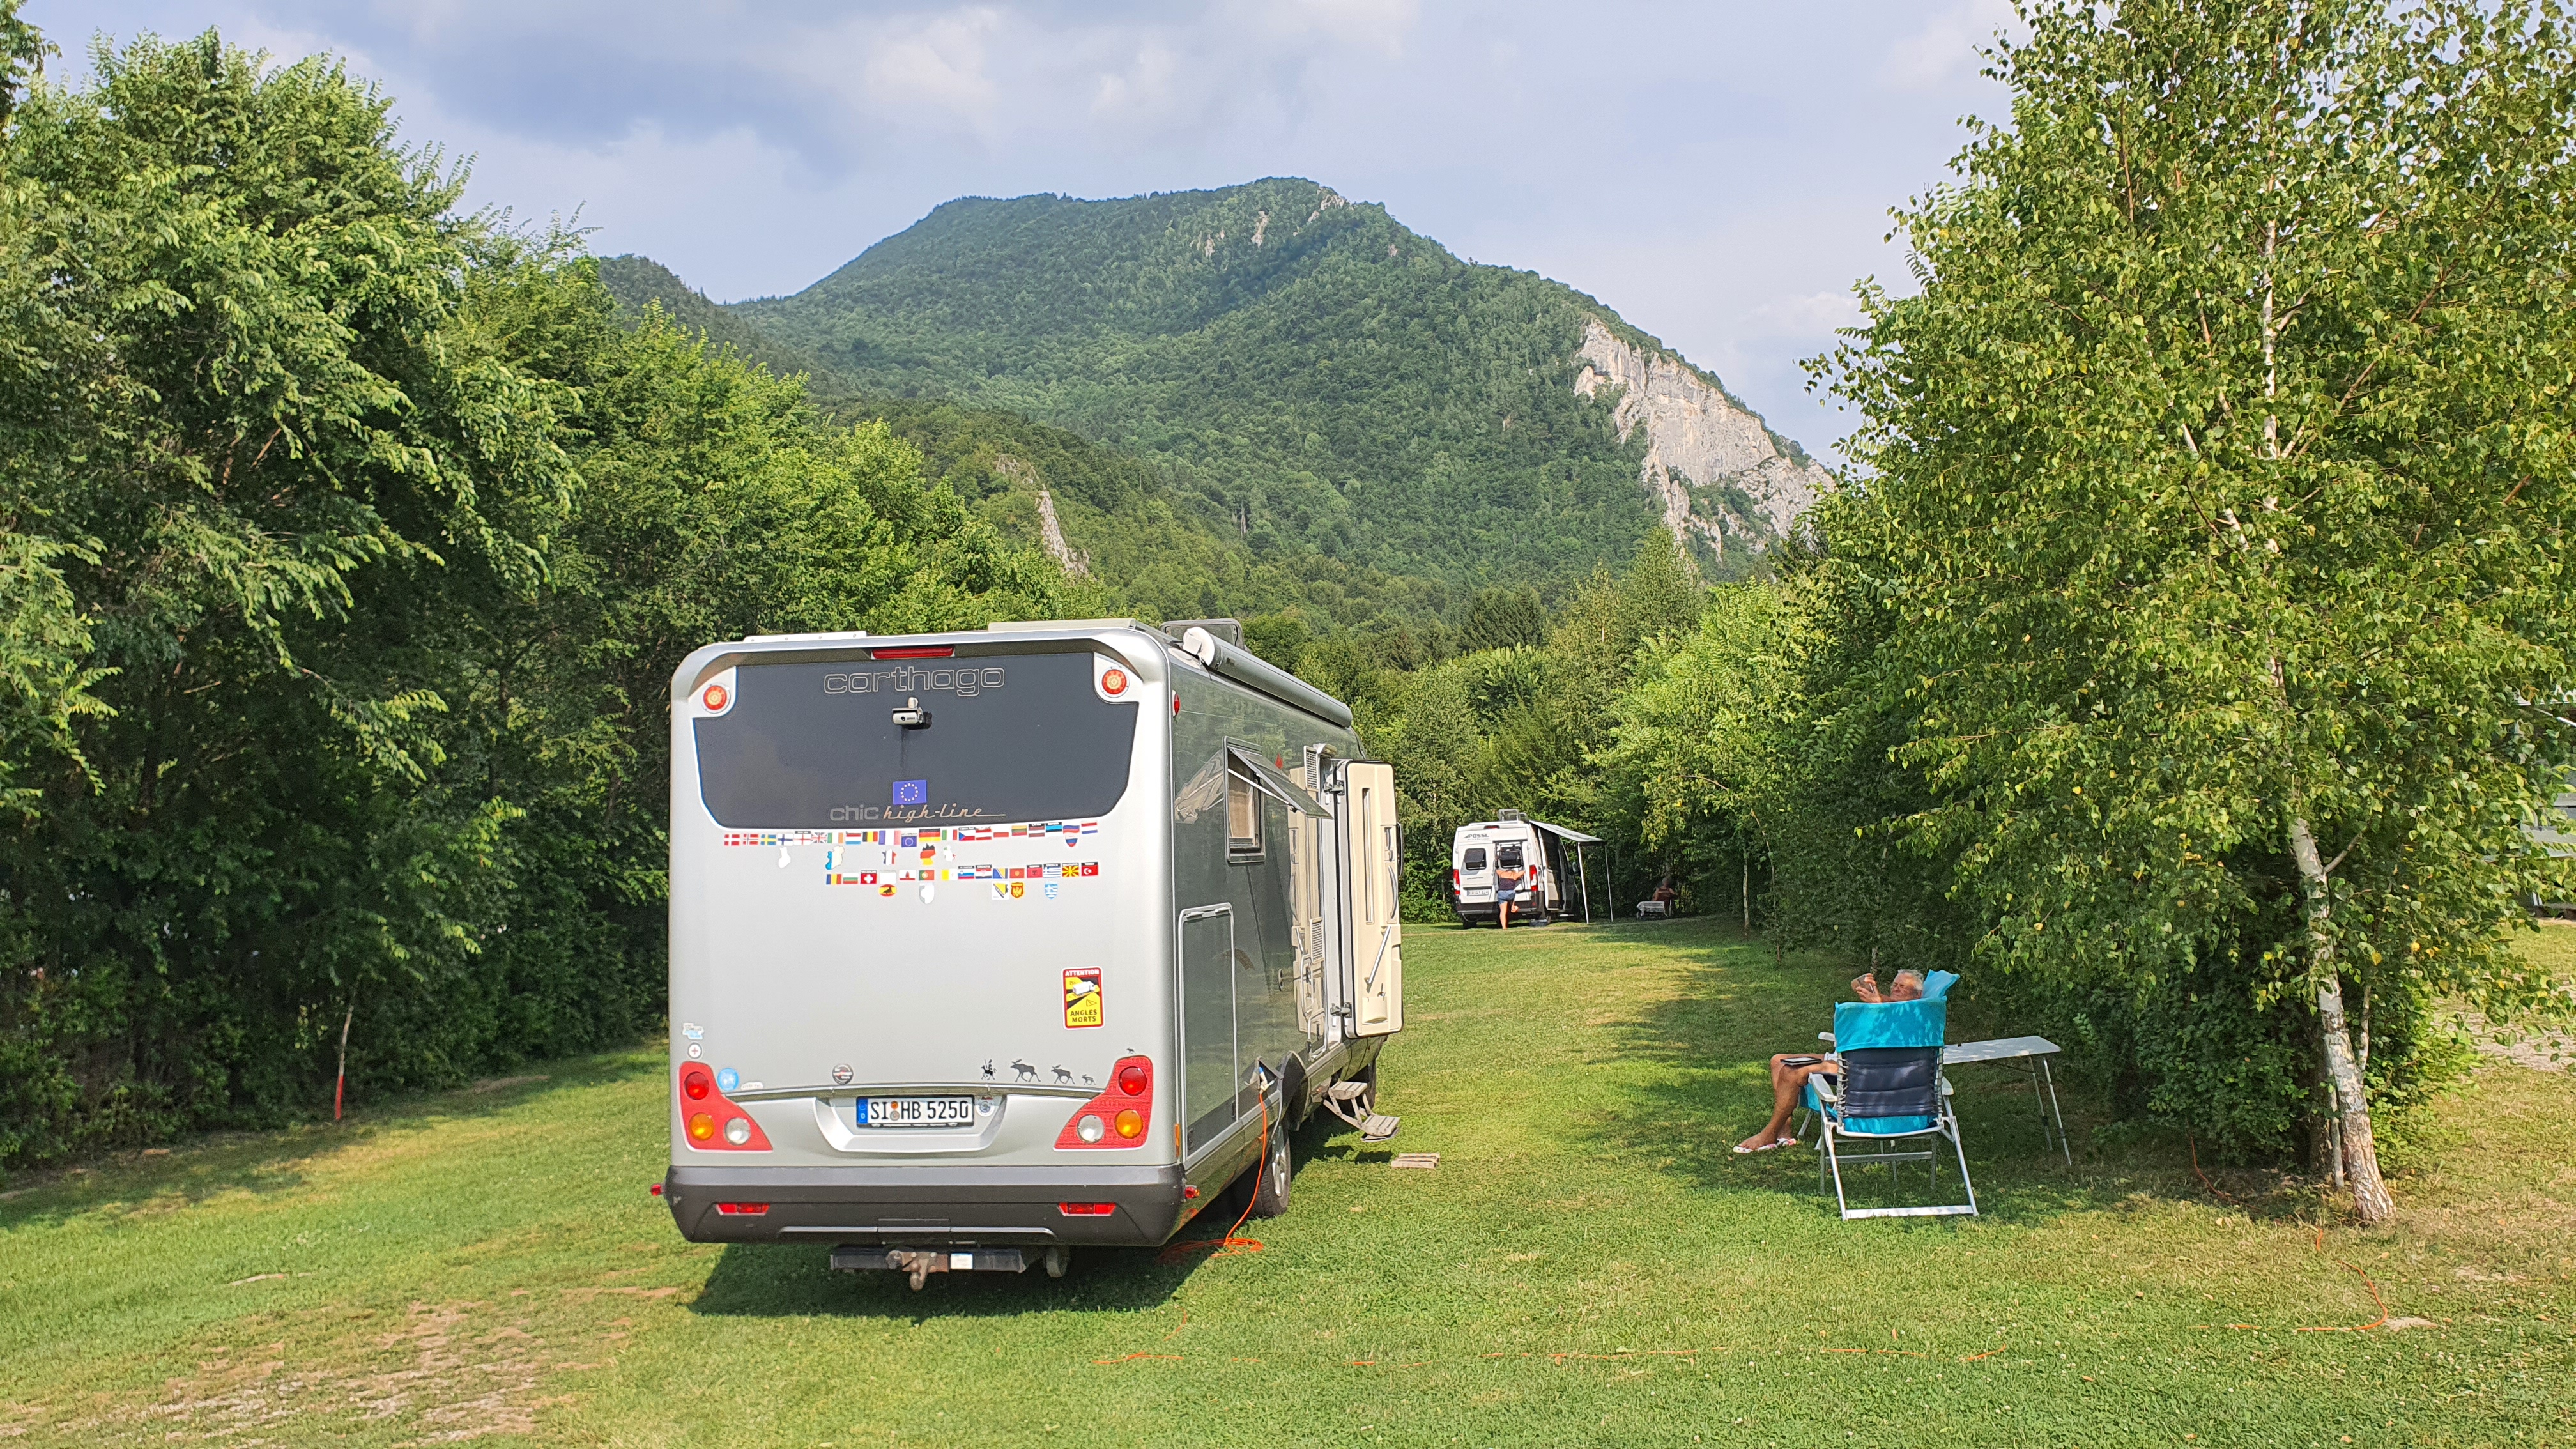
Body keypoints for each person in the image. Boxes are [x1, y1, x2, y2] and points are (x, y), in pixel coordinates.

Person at [1734, 969, 1926, 1154]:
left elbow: (1891, 1035)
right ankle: (1784, 1131)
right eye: (1895, 984)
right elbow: (1866, 990)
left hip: (1862, 1068)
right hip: (1846, 1059)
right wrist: (1875, 994)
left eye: (1903, 987)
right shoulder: (1891, 1004)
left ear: (1918, 995)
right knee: (1779, 1061)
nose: (1896, 989)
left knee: (1791, 1072)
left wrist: (1879, 1006)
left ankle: (1768, 1134)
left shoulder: (1913, 1017)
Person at [1494, 843, 1528, 930]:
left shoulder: (1502, 874)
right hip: (1510, 893)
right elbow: (1523, 872)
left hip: (1501, 893)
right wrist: (1516, 874)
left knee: (1503, 911)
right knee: (1512, 895)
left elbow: (1497, 870)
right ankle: (1513, 907)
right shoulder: (1514, 876)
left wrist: (1498, 861)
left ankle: (1504, 927)